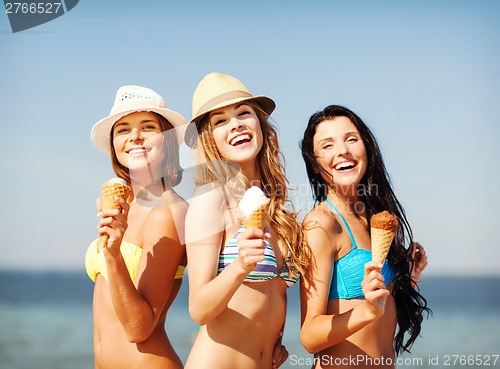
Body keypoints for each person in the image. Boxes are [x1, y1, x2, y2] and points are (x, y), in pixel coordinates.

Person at [183, 72, 311, 369]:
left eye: (243, 113)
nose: (236, 123)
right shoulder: (210, 198)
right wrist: (240, 266)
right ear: (209, 138)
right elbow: (199, 309)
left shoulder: (277, 207)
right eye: (220, 121)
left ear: (260, 124)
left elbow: (273, 293)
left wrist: (276, 339)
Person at [299, 105, 429, 368]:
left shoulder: (375, 220)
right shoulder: (320, 224)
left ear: (366, 147)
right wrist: (366, 311)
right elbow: (310, 336)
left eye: (351, 139)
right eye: (327, 145)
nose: (342, 150)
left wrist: (410, 276)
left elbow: (381, 308)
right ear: (315, 165)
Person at [86, 85, 188, 369]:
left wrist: (113, 254)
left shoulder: (167, 213)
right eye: (123, 129)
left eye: (148, 127)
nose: (135, 137)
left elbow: (138, 329)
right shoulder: (123, 201)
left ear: (168, 140)